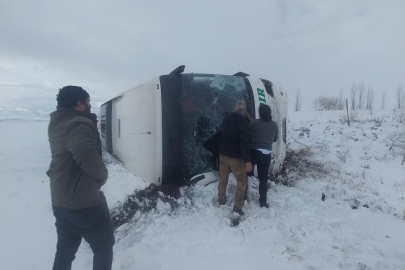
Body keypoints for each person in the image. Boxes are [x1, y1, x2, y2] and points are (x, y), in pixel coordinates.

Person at [47, 86, 115, 270]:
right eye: (88, 101)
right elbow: (84, 152)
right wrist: (102, 174)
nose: (90, 105)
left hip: (61, 201)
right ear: (80, 103)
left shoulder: (58, 122)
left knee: (65, 251)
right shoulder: (78, 123)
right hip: (84, 203)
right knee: (104, 247)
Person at [218, 101, 252, 215]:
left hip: (223, 154)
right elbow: (245, 143)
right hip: (236, 158)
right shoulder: (243, 123)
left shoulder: (226, 119)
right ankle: (237, 207)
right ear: (244, 112)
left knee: (223, 178)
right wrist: (248, 161)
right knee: (242, 181)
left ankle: (221, 200)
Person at [249, 103, 278, 208]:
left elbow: (248, 134)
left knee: (246, 174)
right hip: (267, 154)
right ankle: (263, 202)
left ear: (260, 112)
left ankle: (244, 197)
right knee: (263, 179)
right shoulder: (274, 125)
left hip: (255, 152)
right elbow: (274, 139)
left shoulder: (254, 123)